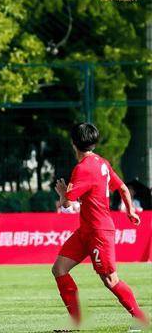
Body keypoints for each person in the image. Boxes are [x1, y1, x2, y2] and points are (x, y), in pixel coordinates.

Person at [52, 123, 149, 329]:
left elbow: (68, 203)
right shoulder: (102, 163)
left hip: (98, 232)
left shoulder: (82, 169)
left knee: (110, 279)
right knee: (59, 269)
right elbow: (122, 187)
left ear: (73, 143)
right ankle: (77, 322)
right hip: (86, 230)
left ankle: (142, 320)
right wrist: (130, 210)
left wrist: (62, 194)